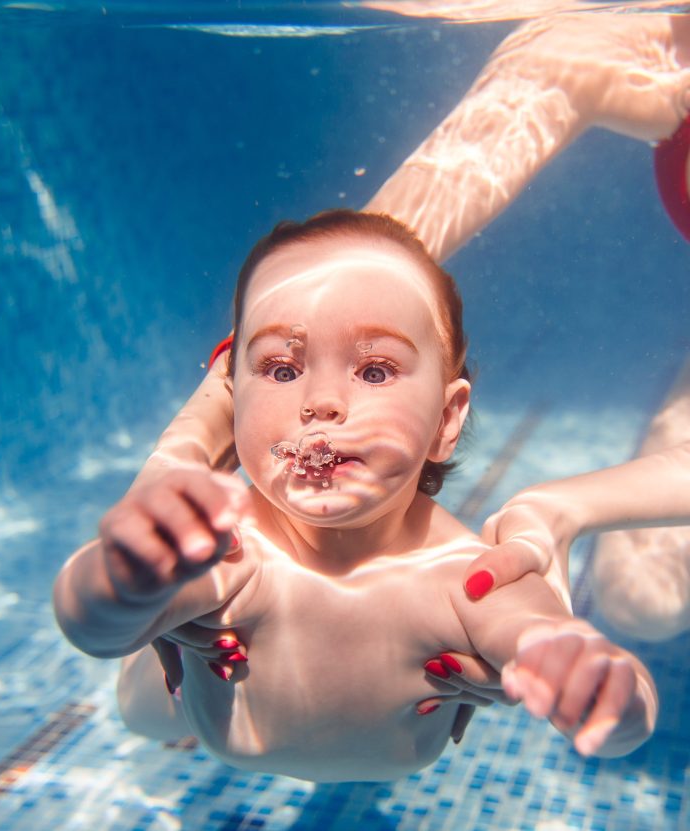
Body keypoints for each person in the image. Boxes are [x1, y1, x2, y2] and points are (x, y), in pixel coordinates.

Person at [129, 10, 690, 682]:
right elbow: (350, 276)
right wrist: (185, 449)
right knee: (642, 596)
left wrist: (581, 504)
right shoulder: (633, 49)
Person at [53, 210, 658, 783]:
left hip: (305, 740)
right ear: (232, 400)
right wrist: (123, 574)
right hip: (193, 708)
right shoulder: (232, 553)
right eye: (282, 370)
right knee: (140, 710)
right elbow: (93, 629)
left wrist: (604, 692)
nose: (321, 401)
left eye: (373, 371)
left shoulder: (467, 577)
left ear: (446, 420)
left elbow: (591, 674)